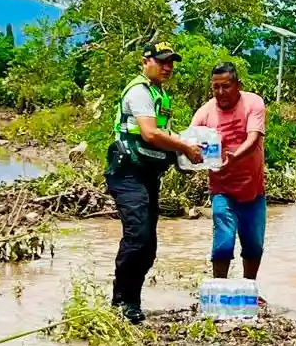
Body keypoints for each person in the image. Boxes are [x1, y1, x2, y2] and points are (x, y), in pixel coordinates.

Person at [105, 41, 204, 324]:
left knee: (148, 245)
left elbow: (163, 138)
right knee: (138, 237)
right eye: (162, 62)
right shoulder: (139, 92)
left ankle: (128, 302)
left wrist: (184, 155)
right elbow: (149, 134)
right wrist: (184, 147)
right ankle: (123, 303)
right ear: (145, 60)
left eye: (171, 62)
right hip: (127, 174)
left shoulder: (159, 94)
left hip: (147, 175)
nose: (168, 67)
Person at [191, 62, 267, 302]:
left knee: (254, 245)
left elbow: (253, 138)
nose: (221, 92)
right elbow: (191, 145)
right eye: (216, 88)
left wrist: (235, 158)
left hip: (254, 188)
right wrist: (190, 158)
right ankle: (218, 291)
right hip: (222, 189)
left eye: (226, 86)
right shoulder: (204, 113)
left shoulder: (253, 103)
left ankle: (249, 291)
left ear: (238, 85)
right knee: (223, 243)